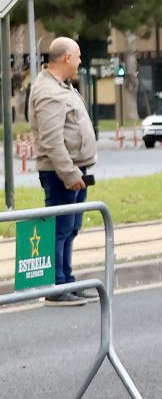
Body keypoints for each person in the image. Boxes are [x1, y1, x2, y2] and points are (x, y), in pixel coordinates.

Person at [28, 38, 98, 307]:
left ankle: (67, 279)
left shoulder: (62, 86)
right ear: (67, 58)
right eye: (78, 56)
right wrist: (69, 174)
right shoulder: (48, 91)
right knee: (60, 229)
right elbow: (52, 141)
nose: (80, 62)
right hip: (60, 173)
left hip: (74, 169)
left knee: (71, 228)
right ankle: (56, 285)